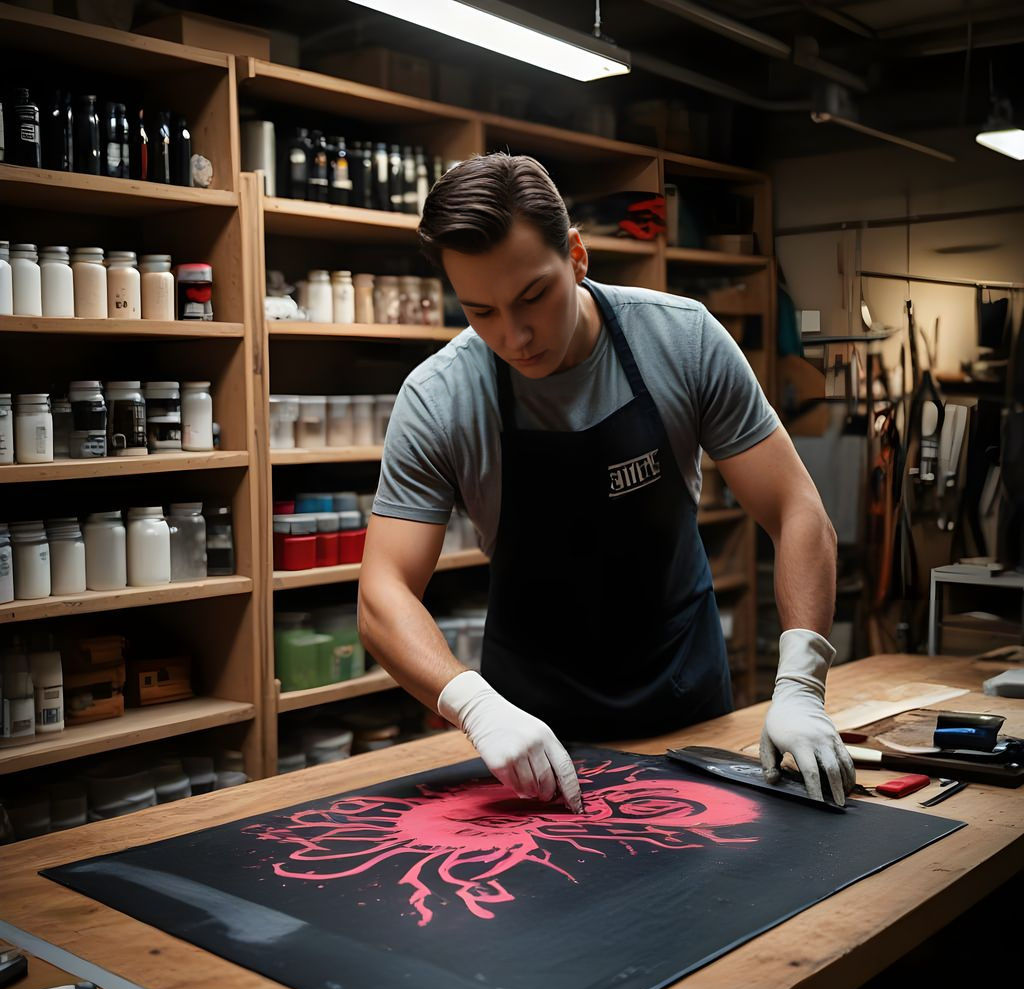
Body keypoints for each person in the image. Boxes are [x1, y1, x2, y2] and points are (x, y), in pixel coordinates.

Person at [358, 153, 855, 814]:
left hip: (685, 709)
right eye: (482, 311)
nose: (515, 334)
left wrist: (799, 684)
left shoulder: (682, 342)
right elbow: (383, 591)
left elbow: (796, 510)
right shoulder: (441, 397)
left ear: (577, 257)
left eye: (534, 295)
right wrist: (475, 706)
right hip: (530, 740)